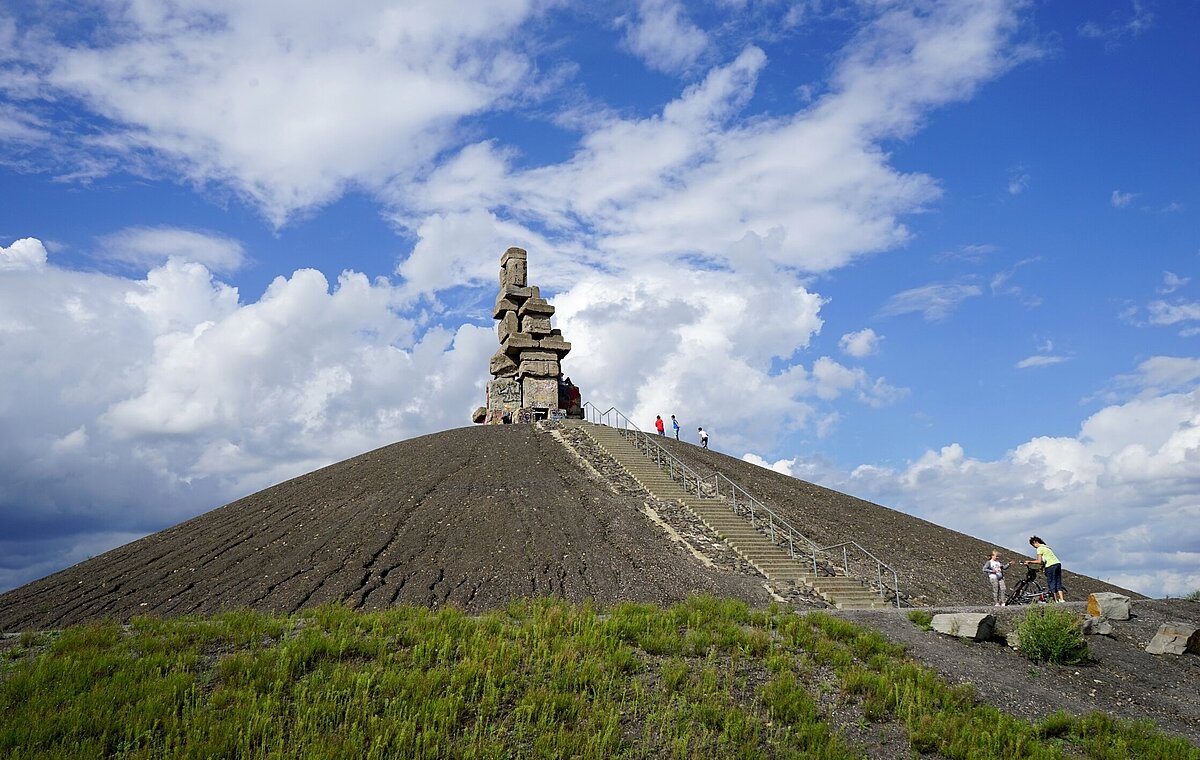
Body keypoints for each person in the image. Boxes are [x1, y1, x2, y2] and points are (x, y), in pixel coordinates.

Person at [1024, 536, 1065, 602]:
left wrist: (1029, 562)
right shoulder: (1047, 547)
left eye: (1033, 545)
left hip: (1050, 566)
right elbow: (1044, 560)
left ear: (1035, 542)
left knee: (1051, 582)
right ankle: (1062, 599)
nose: (1034, 547)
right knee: (1058, 581)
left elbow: (1039, 561)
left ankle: (1055, 600)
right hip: (1057, 564)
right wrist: (1042, 567)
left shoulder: (1039, 548)